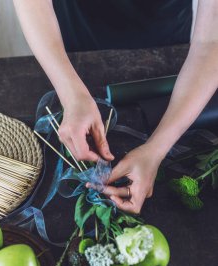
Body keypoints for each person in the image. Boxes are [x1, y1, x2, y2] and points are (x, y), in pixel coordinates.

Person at [13, 0, 218, 214]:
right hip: (71, 46)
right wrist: (72, 94)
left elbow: (211, 41)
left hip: (164, 47)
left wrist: (155, 150)